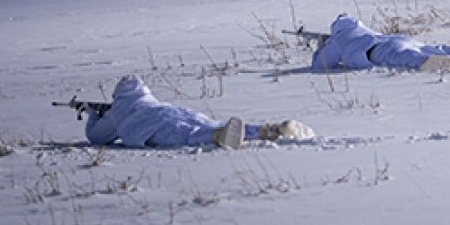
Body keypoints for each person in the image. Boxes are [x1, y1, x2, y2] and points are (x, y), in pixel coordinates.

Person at [84, 75, 314, 150]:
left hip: (151, 127)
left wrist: (93, 114)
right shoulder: (149, 100)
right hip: (172, 111)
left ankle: (216, 138)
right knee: (211, 123)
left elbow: (97, 138)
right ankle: (269, 129)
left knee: (188, 135)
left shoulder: (119, 110)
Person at [311, 14, 450, 74]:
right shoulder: (362, 30)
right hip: (399, 39)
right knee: (448, 50)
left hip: (379, 50)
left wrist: (322, 46)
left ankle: (430, 63)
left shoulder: (338, 40)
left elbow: (321, 65)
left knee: (405, 58)